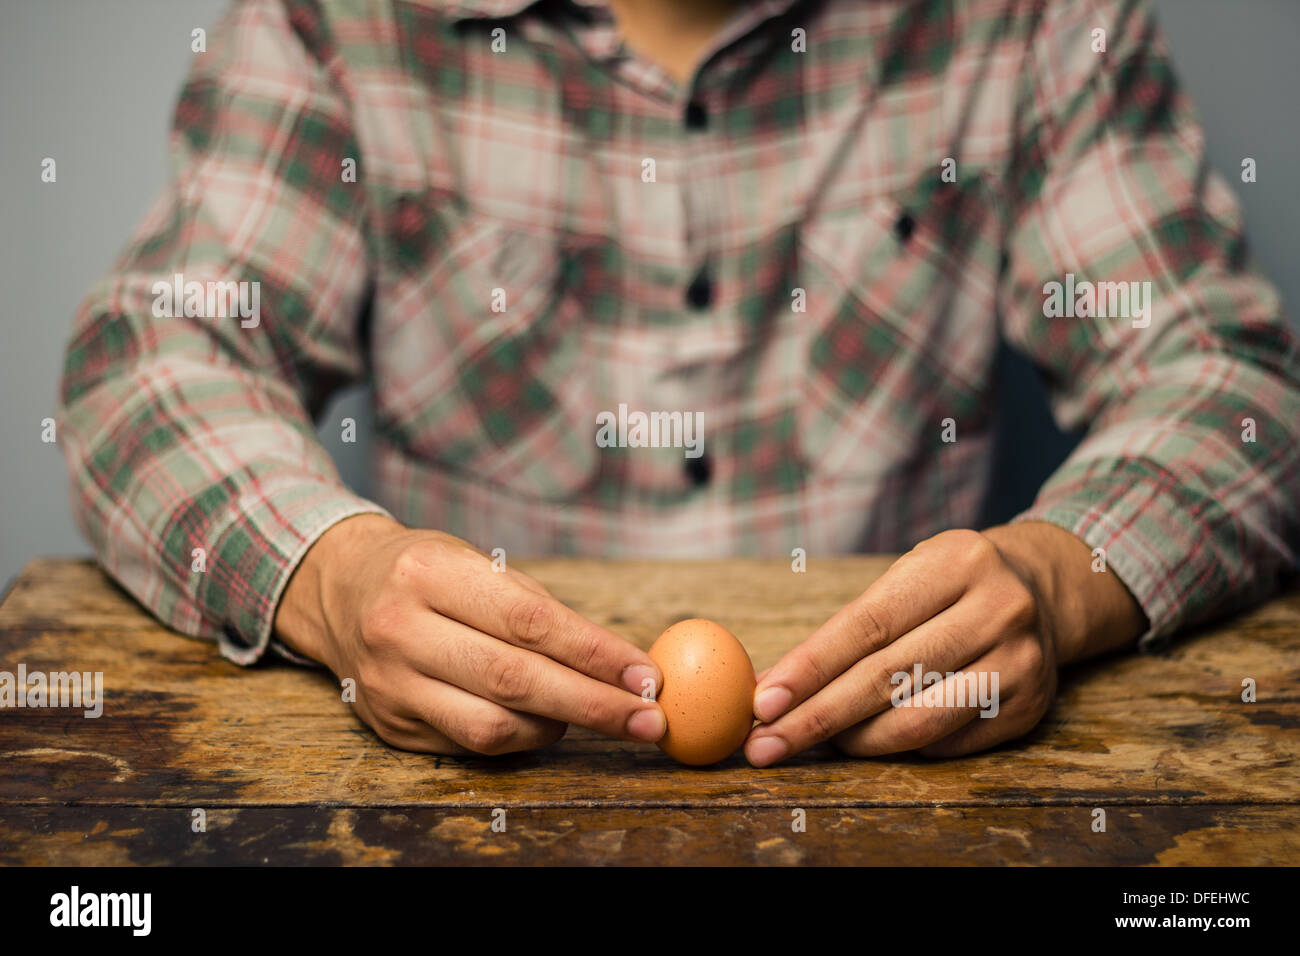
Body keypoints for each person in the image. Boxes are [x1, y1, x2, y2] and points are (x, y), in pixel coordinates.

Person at [56, 0, 1299, 765]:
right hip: (488, 802)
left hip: (895, 798)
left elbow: (1223, 379)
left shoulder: (1025, 16)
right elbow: (150, 357)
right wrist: (331, 578)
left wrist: (1057, 576)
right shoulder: (345, 16)